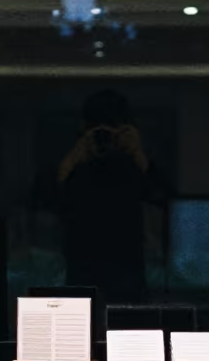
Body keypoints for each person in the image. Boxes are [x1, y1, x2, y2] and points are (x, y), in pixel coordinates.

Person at [58, 90, 149, 303]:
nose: (105, 137)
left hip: (125, 269)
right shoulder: (78, 170)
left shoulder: (131, 167)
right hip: (86, 267)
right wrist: (78, 153)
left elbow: (161, 197)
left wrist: (136, 152)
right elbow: (49, 199)